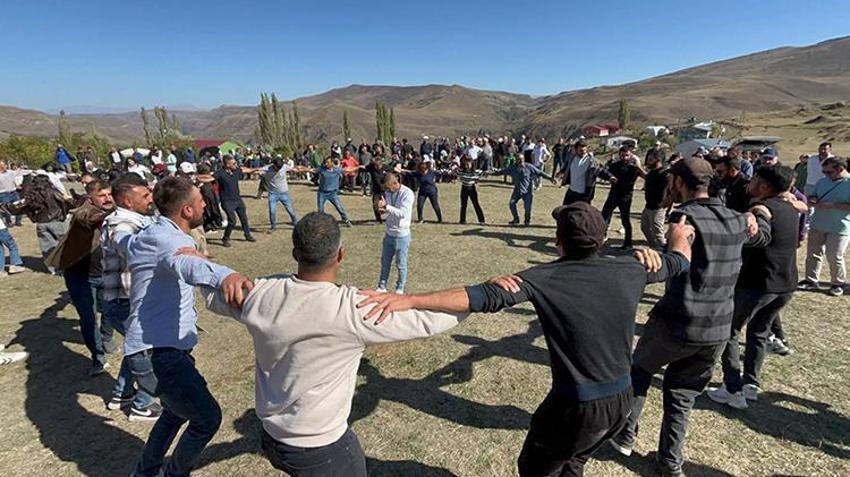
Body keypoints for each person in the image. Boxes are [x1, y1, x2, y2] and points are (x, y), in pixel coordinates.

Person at [357, 202, 694, 477]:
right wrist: (679, 234)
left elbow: (480, 297)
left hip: (575, 406)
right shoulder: (631, 268)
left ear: (558, 243)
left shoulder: (542, 278)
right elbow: (680, 260)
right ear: (603, 240)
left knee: (534, 469)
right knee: (574, 460)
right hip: (622, 399)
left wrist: (411, 300)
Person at [202, 212, 468, 476]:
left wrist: (215, 269)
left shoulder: (260, 293)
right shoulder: (350, 309)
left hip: (272, 437)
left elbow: (212, 294)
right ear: (340, 254)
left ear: (295, 254)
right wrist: (484, 296)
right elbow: (429, 320)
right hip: (321, 449)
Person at [608, 158, 758, 477]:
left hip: (679, 317)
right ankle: (670, 462)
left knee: (639, 371)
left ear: (677, 181)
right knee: (682, 394)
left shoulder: (684, 217)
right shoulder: (736, 218)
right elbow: (761, 233)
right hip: (718, 326)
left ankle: (624, 434)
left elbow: (673, 262)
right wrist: (760, 213)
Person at [116, 176, 252, 477]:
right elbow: (185, 265)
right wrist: (225, 276)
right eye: (200, 199)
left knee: (175, 412)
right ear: (187, 211)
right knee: (207, 418)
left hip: (158, 347)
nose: (205, 202)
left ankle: (146, 470)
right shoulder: (170, 240)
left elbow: (124, 242)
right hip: (157, 352)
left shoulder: (152, 233)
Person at [707, 165, 799, 409]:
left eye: (755, 180)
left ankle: (733, 388)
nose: (750, 183)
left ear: (765, 186)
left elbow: (755, 232)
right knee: (759, 331)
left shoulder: (763, 210)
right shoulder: (790, 207)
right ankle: (751, 384)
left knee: (728, 331)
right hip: (785, 285)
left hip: (759, 284)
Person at [100, 173, 161, 420]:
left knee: (136, 347)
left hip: (125, 301)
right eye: (145, 195)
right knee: (151, 348)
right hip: (126, 302)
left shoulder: (137, 219)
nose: (150, 198)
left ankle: (122, 393)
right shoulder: (122, 225)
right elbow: (128, 246)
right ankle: (143, 403)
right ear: (127, 200)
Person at [48, 179, 117, 376]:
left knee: (111, 311)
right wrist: (112, 213)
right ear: (90, 197)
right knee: (88, 318)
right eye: (102, 195)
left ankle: (106, 337)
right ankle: (97, 357)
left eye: (110, 194)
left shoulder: (118, 213)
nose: (107, 198)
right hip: (80, 276)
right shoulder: (83, 212)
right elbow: (88, 217)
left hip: (107, 272)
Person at [799, 156, 850, 296]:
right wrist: (812, 199)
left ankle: (838, 283)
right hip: (818, 223)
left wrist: (832, 205)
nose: (825, 175)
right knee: (813, 254)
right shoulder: (822, 182)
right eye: (824, 172)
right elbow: (811, 195)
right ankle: (810, 280)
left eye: (828, 172)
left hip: (839, 227)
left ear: (840, 169)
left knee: (834, 255)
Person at [210, 155, 262, 247]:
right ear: (227, 164)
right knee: (232, 221)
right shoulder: (220, 173)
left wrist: (262, 169)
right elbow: (210, 178)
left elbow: (248, 170)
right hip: (227, 202)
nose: (236, 164)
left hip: (238, 200)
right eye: (234, 163)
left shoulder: (237, 171)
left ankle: (247, 235)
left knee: (244, 219)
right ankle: (225, 239)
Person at [375, 173, 414, 294]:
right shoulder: (388, 193)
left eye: (388, 187)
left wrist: (386, 206)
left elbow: (403, 213)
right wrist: (382, 211)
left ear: (395, 183)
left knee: (401, 264)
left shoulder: (407, 194)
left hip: (401, 235)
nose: (386, 190)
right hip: (389, 233)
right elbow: (390, 211)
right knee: (385, 262)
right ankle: (382, 286)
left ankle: (400, 288)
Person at [600, 145, 645, 249]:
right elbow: (604, 173)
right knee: (605, 216)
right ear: (619, 155)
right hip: (614, 194)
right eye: (622, 155)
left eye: (627, 155)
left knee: (625, 219)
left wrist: (638, 166)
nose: (624, 157)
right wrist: (609, 177)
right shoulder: (615, 165)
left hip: (626, 197)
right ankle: (602, 236)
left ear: (630, 155)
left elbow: (646, 176)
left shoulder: (634, 168)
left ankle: (628, 242)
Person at [494, 155, 554, 226]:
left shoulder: (529, 167)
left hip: (528, 191)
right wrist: (489, 173)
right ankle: (516, 219)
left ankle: (527, 221)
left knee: (527, 208)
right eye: (519, 160)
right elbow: (501, 172)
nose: (521, 161)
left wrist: (550, 178)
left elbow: (540, 173)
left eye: (522, 159)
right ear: (516, 160)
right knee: (512, 203)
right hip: (517, 190)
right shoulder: (512, 168)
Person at [310, 157, 354, 227]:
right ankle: (322, 223)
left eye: (328, 162)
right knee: (320, 210)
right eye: (325, 162)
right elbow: (311, 170)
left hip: (332, 193)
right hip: (322, 193)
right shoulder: (322, 170)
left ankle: (346, 220)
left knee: (339, 208)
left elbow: (348, 169)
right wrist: (300, 169)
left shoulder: (337, 170)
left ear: (332, 163)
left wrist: (359, 167)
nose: (326, 164)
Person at [562, 140, 609, 205]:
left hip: (583, 195)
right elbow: (567, 167)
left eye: (584, 150)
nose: (583, 152)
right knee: (565, 212)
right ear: (576, 150)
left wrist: (609, 177)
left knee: (581, 214)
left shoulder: (591, 161)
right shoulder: (572, 158)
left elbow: (600, 170)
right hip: (571, 192)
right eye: (581, 150)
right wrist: (561, 172)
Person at [641, 150, 670, 249]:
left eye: (651, 159)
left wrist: (664, 203)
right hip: (648, 206)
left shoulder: (665, 174)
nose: (648, 161)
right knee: (644, 227)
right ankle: (654, 248)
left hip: (658, 208)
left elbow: (669, 191)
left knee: (657, 232)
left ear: (658, 160)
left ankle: (663, 250)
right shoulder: (652, 172)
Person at [264, 158, 300, 230]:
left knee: (290, 210)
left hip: (284, 193)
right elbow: (255, 170)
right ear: (273, 165)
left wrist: (309, 170)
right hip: (273, 194)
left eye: (280, 168)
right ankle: (273, 226)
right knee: (272, 211)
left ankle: (295, 222)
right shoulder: (267, 168)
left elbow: (296, 168)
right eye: (277, 168)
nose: (278, 169)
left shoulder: (284, 166)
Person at [457, 157, 486, 225]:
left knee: (476, 204)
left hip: (472, 189)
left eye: (468, 164)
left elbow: (484, 173)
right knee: (463, 205)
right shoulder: (461, 172)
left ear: (472, 164)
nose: (467, 165)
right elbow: (454, 172)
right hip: (464, 188)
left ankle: (481, 220)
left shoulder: (476, 172)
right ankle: (462, 220)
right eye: (466, 164)